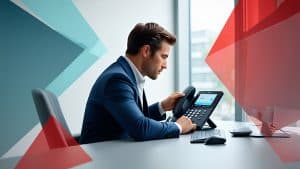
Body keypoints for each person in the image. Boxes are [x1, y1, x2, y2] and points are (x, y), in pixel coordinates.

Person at [80, 22, 196, 144]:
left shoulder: (127, 74)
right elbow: (140, 127)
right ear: (146, 51)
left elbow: (134, 118)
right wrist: (178, 127)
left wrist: (162, 106)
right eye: (163, 56)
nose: (165, 65)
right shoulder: (117, 80)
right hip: (100, 159)